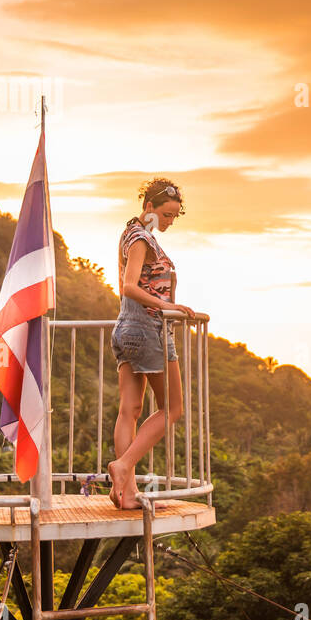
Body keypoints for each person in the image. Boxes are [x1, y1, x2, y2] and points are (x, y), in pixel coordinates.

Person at [106, 178, 195, 509]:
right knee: (172, 408)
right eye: (166, 214)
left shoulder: (130, 232)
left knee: (130, 410)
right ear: (149, 208)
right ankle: (124, 465)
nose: (170, 221)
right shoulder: (142, 238)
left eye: (175, 216)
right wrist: (168, 306)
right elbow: (129, 286)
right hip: (148, 330)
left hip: (126, 329)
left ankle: (125, 493)